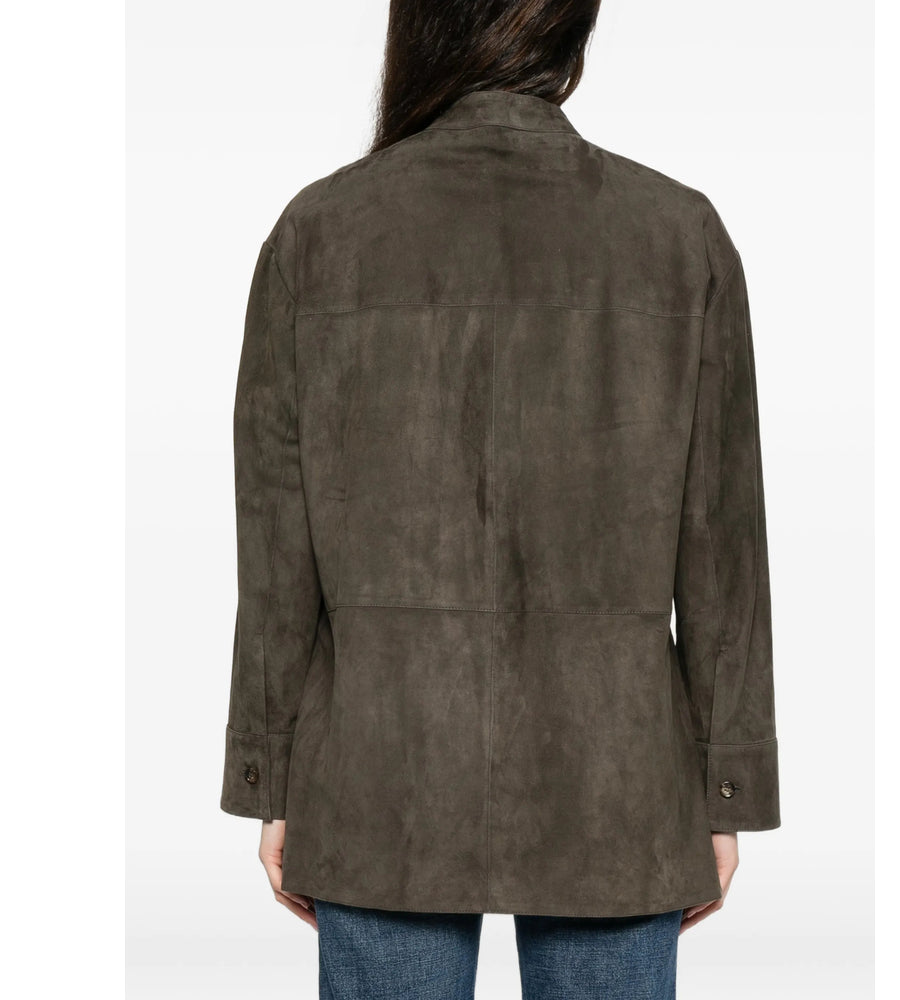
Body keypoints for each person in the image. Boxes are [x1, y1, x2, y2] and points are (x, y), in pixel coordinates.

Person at [219, 1, 781, 996]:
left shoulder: (320, 230)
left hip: (379, 775)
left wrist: (275, 773)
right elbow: (724, 545)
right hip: (617, 785)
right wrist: (721, 784)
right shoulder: (677, 233)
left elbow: (275, 545)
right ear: (569, 35)